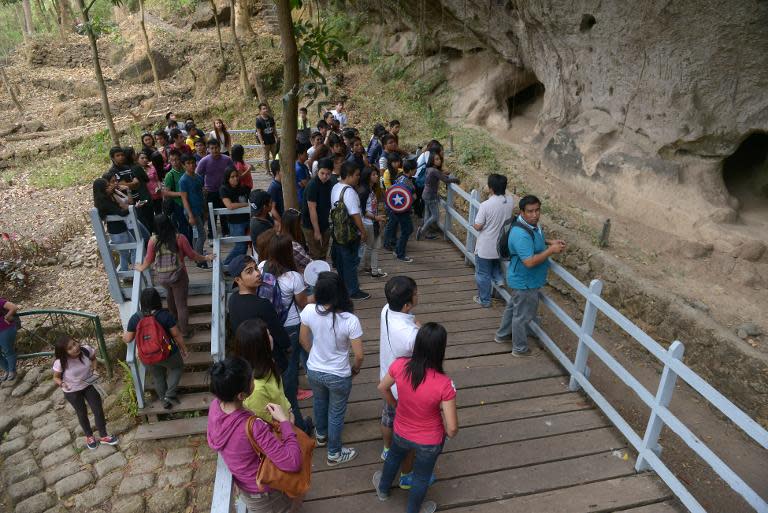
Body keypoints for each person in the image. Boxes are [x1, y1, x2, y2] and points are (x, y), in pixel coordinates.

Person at [373, 323, 458, 513]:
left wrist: (396, 405)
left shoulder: (400, 365)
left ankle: (383, 490)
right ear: (440, 349)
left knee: (393, 458)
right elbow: (452, 429)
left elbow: (382, 387)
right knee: (421, 476)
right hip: (430, 440)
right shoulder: (445, 384)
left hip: (401, 430)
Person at [207, 357, 301, 513]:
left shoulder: (215, 407)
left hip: (246, 487)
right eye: (251, 380)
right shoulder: (253, 426)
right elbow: (292, 462)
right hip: (266, 494)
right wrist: (285, 422)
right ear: (241, 395)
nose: (254, 381)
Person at [299, 271, 363, 466]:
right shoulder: (349, 320)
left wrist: (315, 355)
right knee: (336, 412)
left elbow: (303, 339)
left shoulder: (309, 311)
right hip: (338, 374)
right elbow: (359, 355)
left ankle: (321, 435)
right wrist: (355, 369)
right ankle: (334, 453)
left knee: (319, 401)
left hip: (314, 370)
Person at [495, 195, 566, 356]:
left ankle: (502, 335)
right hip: (525, 282)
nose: (535, 215)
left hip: (520, 279)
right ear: (522, 212)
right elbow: (529, 262)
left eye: (537, 210)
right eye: (530, 211)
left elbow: (534, 239)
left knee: (513, 308)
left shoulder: (527, 225)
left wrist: (548, 242)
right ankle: (519, 348)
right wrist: (550, 251)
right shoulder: (521, 234)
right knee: (522, 316)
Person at [258, 234, 311, 434]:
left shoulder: (261, 268)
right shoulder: (293, 278)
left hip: (269, 325)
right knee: (290, 370)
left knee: (274, 364)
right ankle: (297, 423)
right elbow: (303, 303)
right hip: (290, 327)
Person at [133, 214, 214, 336]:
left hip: (162, 278)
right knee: (181, 304)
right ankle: (185, 331)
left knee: (170, 294)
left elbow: (148, 260)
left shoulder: (153, 240)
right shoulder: (179, 238)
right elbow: (192, 256)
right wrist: (206, 257)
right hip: (178, 276)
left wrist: (141, 267)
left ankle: (173, 320)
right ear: (170, 223)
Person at [378, 276, 420, 484]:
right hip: (404, 389)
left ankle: (387, 449)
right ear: (406, 305)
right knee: (408, 433)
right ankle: (407, 474)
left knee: (388, 417)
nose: (417, 294)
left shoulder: (386, 310)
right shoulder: (410, 336)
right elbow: (422, 353)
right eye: (415, 293)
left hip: (387, 379)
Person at [123, 287, 189, 409]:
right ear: (158, 300)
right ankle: (170, 394)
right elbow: (176, 334)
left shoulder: (135, 318)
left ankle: (164, 401)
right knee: (177, 367)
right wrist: (183, 348)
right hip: (168, 353)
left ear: (142, 302)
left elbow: (127, 339)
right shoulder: (165, 315)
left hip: (147, 356)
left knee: (158, 376)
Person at [53, 336, 119, 449]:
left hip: (88, 385)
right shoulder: (60, 362)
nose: (75, 348)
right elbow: (56, 377)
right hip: (72, 391)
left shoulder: (86, 350)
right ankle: (89, 436)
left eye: (74, 343)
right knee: (82, 412)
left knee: (98, 409)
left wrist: (94, 370)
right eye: (70, 348)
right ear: (64, 352)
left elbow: (93, 359)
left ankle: (103, 436)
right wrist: (62, 384)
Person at [227, 255, 291, 373]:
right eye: (249, 272)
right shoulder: (262, 304)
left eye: (256, 268)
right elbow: (281, 337)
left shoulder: (232, 300)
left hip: (248, 360)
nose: (257, 274)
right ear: (238, 280)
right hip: (268, 362)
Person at [472, 174, 516, 307]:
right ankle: (499, 279)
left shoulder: (486, 205)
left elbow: (478, 226)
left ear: (491, 188)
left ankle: (484, 300)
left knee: (482, 274)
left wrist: (475, 225)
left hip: (486, 246)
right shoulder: (510, 201)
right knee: (495, 263)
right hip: (501, 245)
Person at [331, 162, 370, 300]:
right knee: (351, 263)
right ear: (348, 175)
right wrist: (363, 232)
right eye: (356, 175)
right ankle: (353, 291)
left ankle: (343, 287)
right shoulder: (350, 192)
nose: (358, 178)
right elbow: (355, 214)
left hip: (337, 232)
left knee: (342, 262)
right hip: (349, 234)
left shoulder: (336, 187)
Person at [93, 177, 138, 272]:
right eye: (107, 187)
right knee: (129, 251)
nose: (110, 187)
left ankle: (129, 272)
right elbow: (121, 213)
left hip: (118, 229)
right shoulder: (105, 202)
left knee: (127, 252)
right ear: (102, 190)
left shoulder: (105, 199)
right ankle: (134, 271)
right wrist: (132, 208)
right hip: (118, 231)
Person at [196, 138, 234, 239]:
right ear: (208, 149)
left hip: (224, 191)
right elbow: (196, 175)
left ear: (219, 147)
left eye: (216, 148)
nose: (215, 150)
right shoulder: (204, 161)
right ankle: (211, 236)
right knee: (211, 215)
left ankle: (226, 232)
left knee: (224, 212)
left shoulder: (227, 159)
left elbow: (233, 172)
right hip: (210, 191)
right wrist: (201, 186)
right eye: (212, 148)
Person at [417, 151, 459, 241]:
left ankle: (424, 232)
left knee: (427, 215)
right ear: (432, 160)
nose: (439, 161)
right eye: (436, 159)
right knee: (435, 216)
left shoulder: (429, 169)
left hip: (425, 194)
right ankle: (422, 231)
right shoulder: (434, 171)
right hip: (431, 196)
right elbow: (446, 180)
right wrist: (456, 180)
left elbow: (440, 176)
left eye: (439, 159)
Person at [383, 159, 416, 262]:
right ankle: (399, 253)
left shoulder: (400, 177)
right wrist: (413, 197)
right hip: (402, 210)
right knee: (406, 230)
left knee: (407, 229)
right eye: (415, 169)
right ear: (410, 170)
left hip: (398, 208)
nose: (416, 171)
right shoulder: (405, 182)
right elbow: (409, 196)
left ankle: (396, 248)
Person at [220, 167, 251, 272]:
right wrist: (246, 205)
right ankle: (226, 266)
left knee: (245, 246)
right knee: (240, 246)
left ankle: (237, 267)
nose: (235, 179)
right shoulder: (224, 189)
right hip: (235, 222)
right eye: (232, 177)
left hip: (247, 219)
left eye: (237, 176)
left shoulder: (243, 188)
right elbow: (229, 205)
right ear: (227, 178)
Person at [301, 158, 333, 260]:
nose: (324, 176)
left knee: (323, 252)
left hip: (324, 222)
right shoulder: (313, 185)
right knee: (315, 254)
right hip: (311, 224)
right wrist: (317, 230)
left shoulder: (329, 183)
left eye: (328, 174)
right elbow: (312, 209)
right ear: (317, 171)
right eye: (322, 173)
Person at [358, 166, 387, 278]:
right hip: (368, 223)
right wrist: (376, 218)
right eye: (373, 175)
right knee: (374, 246)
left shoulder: (370, 189)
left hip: (371, 222)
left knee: (370, 246)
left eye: (376, 174)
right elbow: (362, 210)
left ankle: (367, 267)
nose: (376, 176)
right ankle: (373, 270)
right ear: (367, 177)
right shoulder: (364, 191)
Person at [179, 154, 207, 265]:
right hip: (192, 211)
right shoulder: (183, 180)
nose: (191, 165)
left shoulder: (199, 177)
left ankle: (195, 254)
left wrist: (205, 210)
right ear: (184, 165)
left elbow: (202, 194)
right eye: (188, 164)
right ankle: (199, 259)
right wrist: (190, 215)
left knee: (197, 234)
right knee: (202, 235)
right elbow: (184, 199)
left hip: (200, 209)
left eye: (192, 163)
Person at [162, 149, 192, 244]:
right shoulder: (170, 175)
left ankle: (192, 246)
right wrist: (180, 194)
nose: (175, 162)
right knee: (183, 227)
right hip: (178, 204)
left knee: (192, 226)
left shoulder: (186, 170)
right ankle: (188, 247)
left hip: (190, 202)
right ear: (169, 161)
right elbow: (166, 192)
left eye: (177, 159)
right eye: (172, 160)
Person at [280, 208, 311, 274]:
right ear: (294, 226)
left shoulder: (279, 236)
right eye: (299, 223)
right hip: (296, 276)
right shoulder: (294, 246)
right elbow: (309, 263)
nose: (301, 225)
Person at [249, 190, 275, 258]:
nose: (272, 204)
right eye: (270, 202)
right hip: (267, 257)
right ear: (264, 207)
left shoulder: (260, 214)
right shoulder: (260, 226)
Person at [255, 102, 279, 175]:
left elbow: (274, 129)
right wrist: (261, 142)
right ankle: (267, 171)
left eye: (266, 108)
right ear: (260, 111)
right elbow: (258, 132)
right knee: (266, 158)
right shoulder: (258, 120)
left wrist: (277, 137)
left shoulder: (271, 118)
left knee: (275, 155)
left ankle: (276, 170)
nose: (265, 110)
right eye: (263, 109)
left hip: (272, 140)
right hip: (265, 141)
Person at [0, 298, 19, 382]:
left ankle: (12, 371)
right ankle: (7, 370)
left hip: (5, 329)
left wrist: (7, 317)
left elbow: (13, 307)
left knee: (8, 350)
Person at [267, 160, 284, 227]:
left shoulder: (282, 184)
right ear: (277, 172)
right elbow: (272, 209)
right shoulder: (273, 187)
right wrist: (281, 222)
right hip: (280, 222)